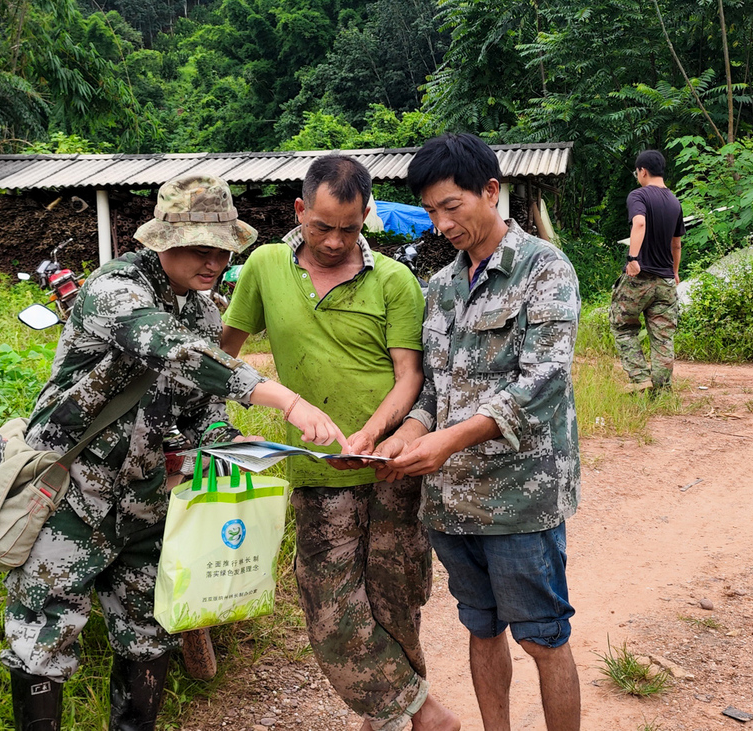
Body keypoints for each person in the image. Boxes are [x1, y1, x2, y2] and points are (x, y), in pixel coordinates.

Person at [1, 174, 346, 731]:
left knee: (147, 636)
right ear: (161, 240)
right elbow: (171, 349)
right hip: (70, 497)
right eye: (199, 248)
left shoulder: (205, 312)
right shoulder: (115, 291)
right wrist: (282, 399)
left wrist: (230, 443)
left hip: (145, 505)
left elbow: (199, 408)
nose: (214, 262)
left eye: (223, 250)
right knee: (43, 636)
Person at [220, 154, 459, 731]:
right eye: (321, 226)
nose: (333, 241)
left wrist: (373, 434)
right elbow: (220, 355)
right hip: (318, 474)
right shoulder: (265, 267)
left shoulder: (395, 281)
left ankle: (390, 721)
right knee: (330, 615)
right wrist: (216, 427)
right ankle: (428, 716)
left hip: (391, 470)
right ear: (300, 210)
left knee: (395, 606)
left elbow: (410, 376)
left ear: (365, 219)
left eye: (349, 228)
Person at [375, 133, 583, 731]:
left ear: (491, 191)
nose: (441, 223)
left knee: (542, 637)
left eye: (452, 206)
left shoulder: (546, 269)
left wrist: (446, 441)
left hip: (521, 497)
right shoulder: (440, 288)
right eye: (431, 211)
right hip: (451, 501)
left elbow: (541, 380)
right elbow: (435, 390)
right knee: (480, 625)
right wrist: (405, 438)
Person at [611, 149, 685, 393]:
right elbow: (676, 243)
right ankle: (662, 390)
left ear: (643, 171)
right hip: (665, 280)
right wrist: (674, 272)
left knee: (623, 325)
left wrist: (633, 257)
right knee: (663, 336)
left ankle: (640, 379)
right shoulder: (675, 201)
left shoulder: (638, 195)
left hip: (639, 277)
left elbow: (639, 223)